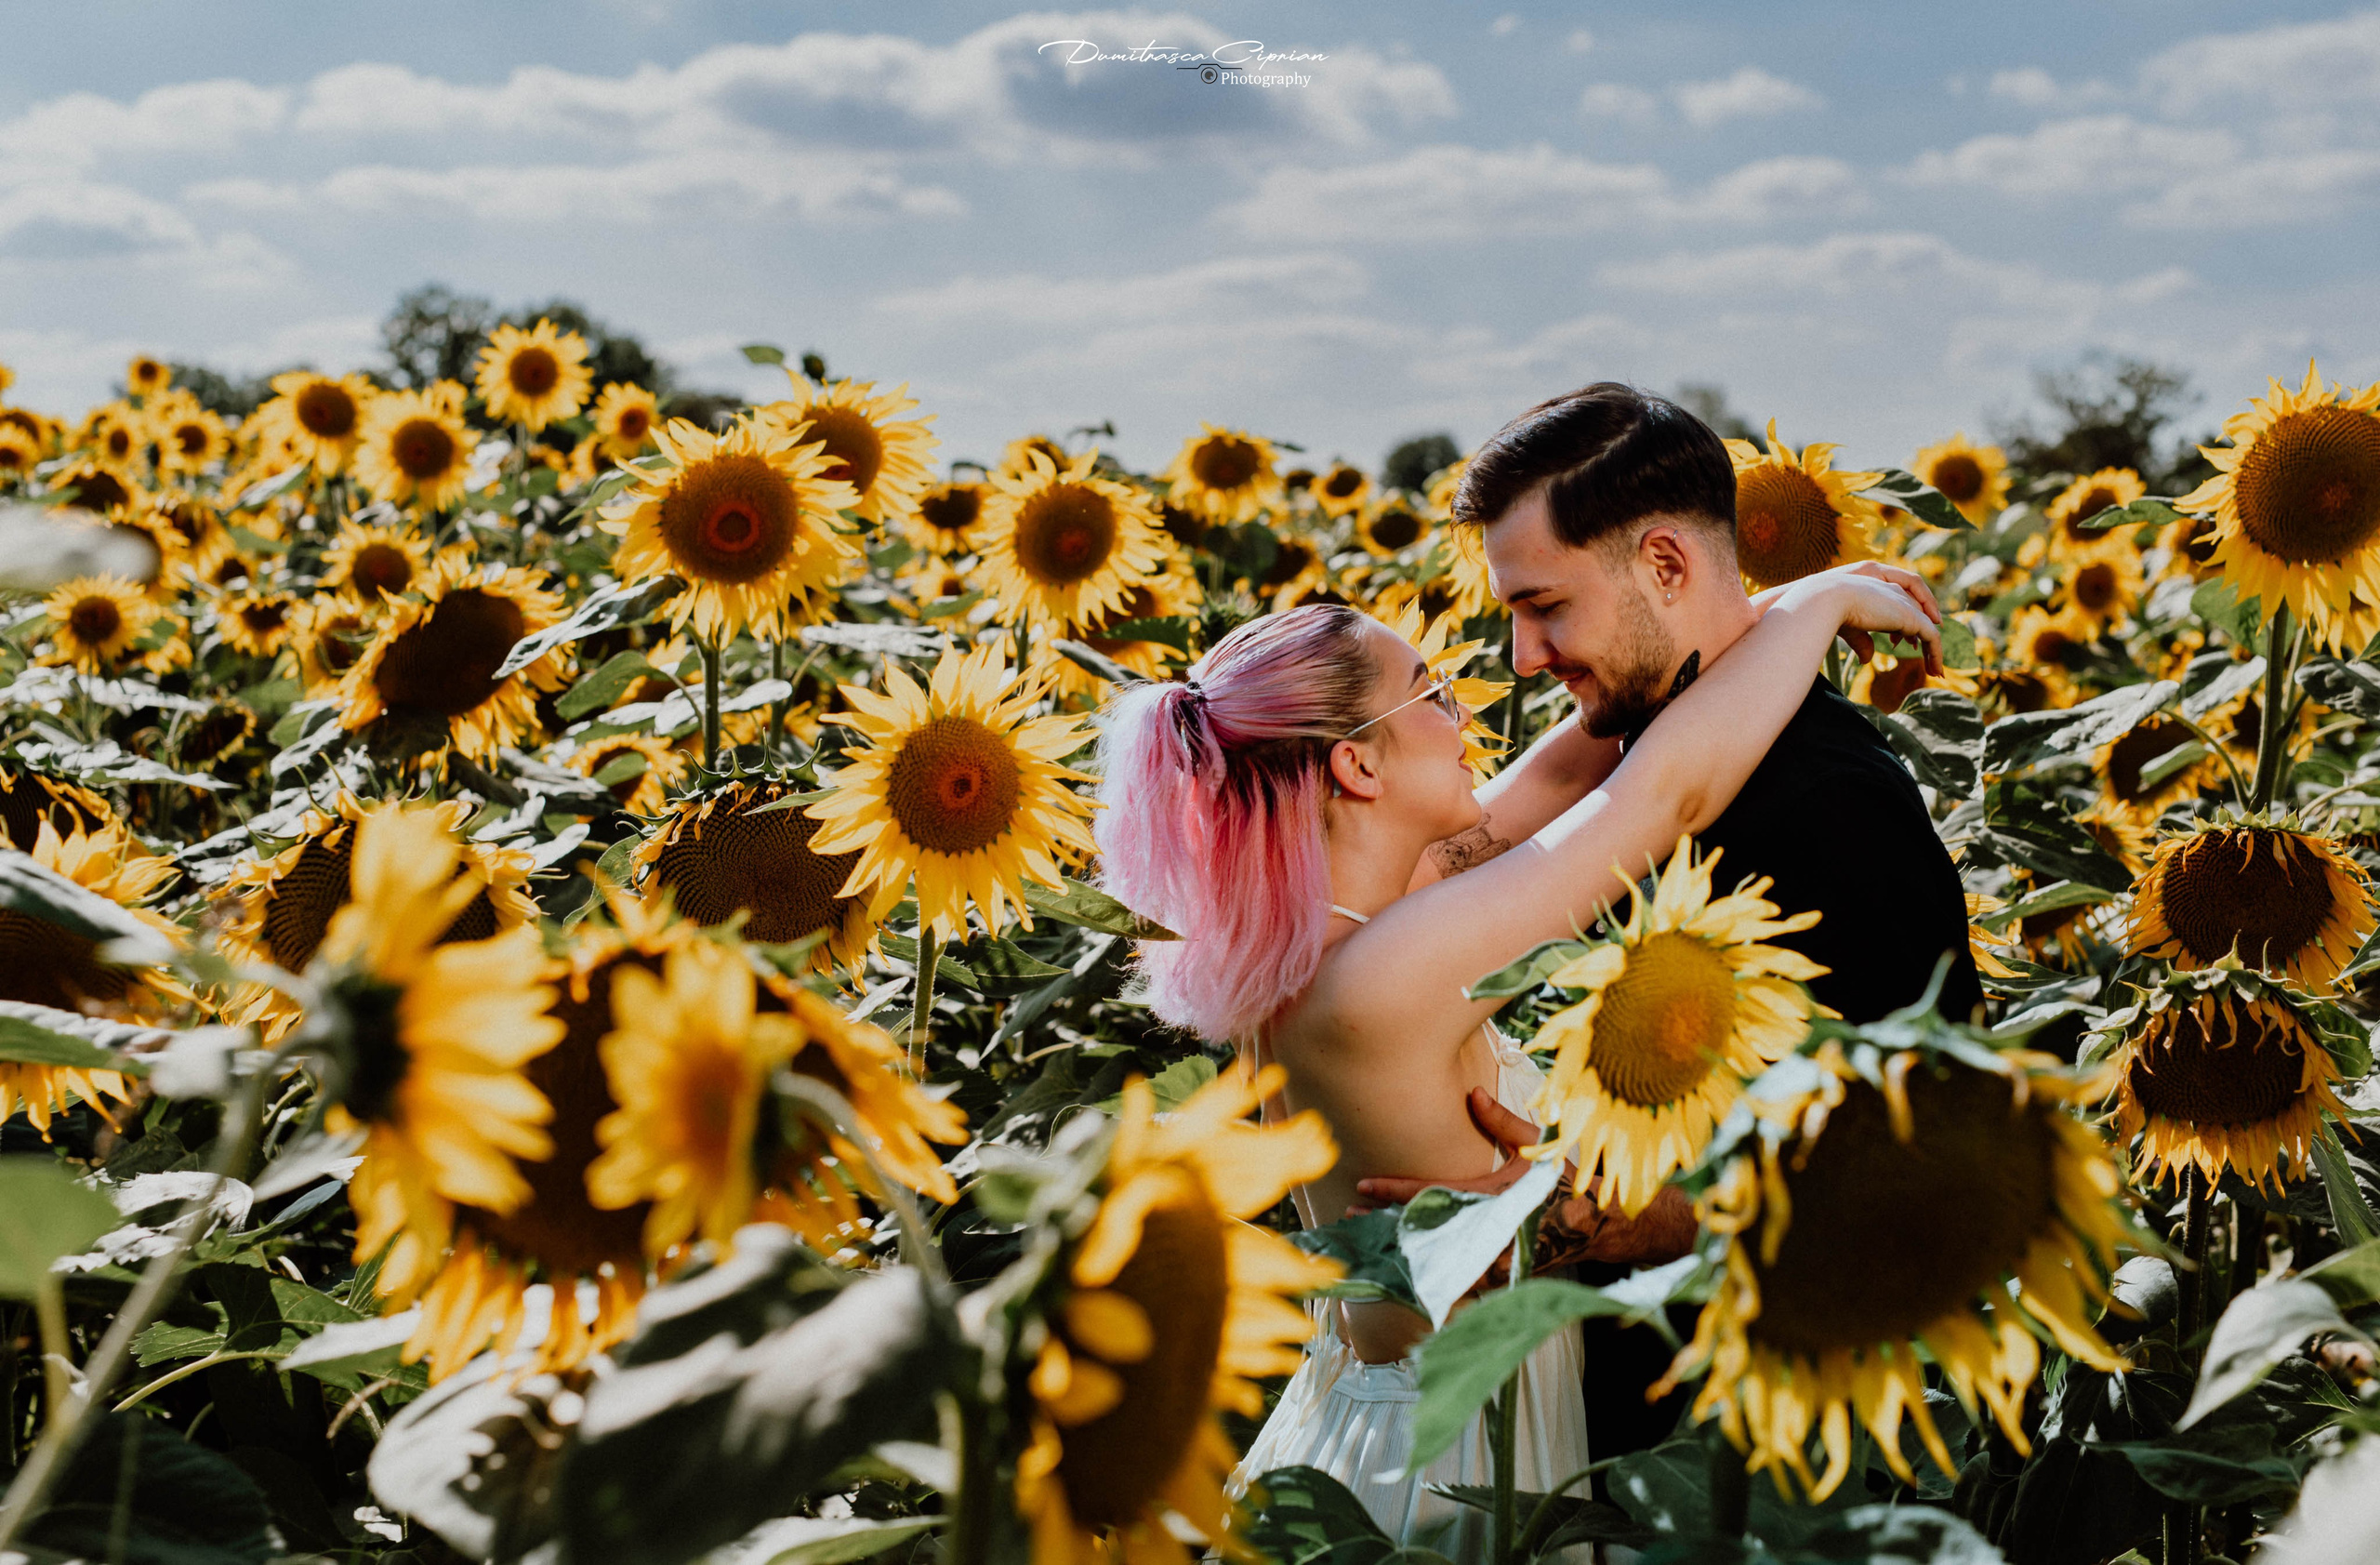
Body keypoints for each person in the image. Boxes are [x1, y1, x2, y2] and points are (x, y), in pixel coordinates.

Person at [1091, 546, 1943, 1554]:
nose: (1466, 716)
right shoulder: (1383, 976)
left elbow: (1577, 763)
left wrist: (1726, 608)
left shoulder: (1336, 928)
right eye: (1432, 695)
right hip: (1456, 1470)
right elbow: (1659, 798)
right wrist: (1823, 595)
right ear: (1358, 766)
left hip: (1384, 1420)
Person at [1356, 381, 1989, 1480]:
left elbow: (1933, 1153)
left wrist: (1635, 1218)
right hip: (1614, 1430)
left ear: (1663, 564)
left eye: (1544, 607)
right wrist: (1804, 606)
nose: (1522, 657)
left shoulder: (1826, 796)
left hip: (1767, 1449)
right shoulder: (1630, 758)